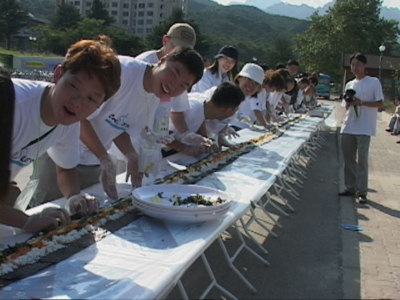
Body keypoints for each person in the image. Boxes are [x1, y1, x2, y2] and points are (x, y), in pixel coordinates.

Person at [34, 46, 204, 204]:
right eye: (173, 72)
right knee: (46, 213)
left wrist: (130, 155)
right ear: (162, 60)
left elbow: (119, 125)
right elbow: (79, 117)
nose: (173, 85)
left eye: (184, 85)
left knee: (80, 215)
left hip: (93, 164)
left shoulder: (155, 97)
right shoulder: (121, 72)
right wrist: (104, 157)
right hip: (58, 157)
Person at [2, 37, 121, 233]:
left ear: (101, 105)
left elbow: (65, 170)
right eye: (73, 86)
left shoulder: (68, 124)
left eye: (91, 98)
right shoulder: (12, 104)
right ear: (58, 74)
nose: (77, 102)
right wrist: (26, 221)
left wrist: (75, 197)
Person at [135, 23, 210, 147]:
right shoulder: (143, 63)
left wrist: (186, 134)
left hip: (156, 140)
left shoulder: (183, 72)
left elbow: (177, 110)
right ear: (165, 40)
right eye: (175, 46)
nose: (178, 52)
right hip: (132, 138)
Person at [339, 53, 384, 204]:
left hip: (365, 127)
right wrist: (348, 103)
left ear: (365, 66)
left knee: (362, 160)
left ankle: (362, 192)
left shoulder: (373, 82)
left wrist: (361, 102)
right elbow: (345, 106)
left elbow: (379, 103)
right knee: (348, 159)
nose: (355, 68)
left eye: (358, 64)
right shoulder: (350, 84)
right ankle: (350, 187)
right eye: (353, 65)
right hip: (349, 125)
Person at [166, 82, 245, 157]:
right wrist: (183, 148)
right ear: (227, 110)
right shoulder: (190, 111)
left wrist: (207, 142)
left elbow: (200, 120)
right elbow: (162, 133)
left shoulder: (205, 107)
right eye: (235, 110)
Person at [230, 63, 272, 131]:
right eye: (249, 79)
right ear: (239, 78)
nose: (251, 85)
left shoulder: (253, 97)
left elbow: (257, 111)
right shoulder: (226, 92)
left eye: (256, 83)